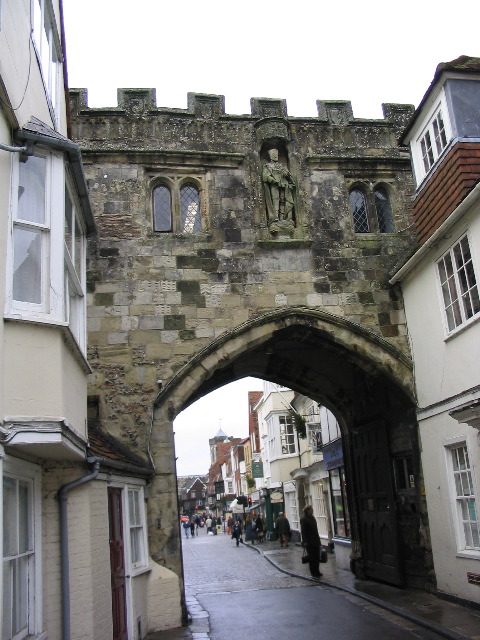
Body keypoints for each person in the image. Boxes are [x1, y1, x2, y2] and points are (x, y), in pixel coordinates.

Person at [262, 148, 297, 224]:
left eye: (276, 154)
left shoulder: (281, 166)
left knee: (283, 200)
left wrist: (286, 175)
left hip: (283, 185)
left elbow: (289, 176)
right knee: (275, 199)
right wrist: (274, 180)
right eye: (273, 154)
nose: (275, 156)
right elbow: (265, 177)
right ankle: (276, 217)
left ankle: (282, 217)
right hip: (274, 185)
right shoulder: (267, 166)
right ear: (270, 155)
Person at [300, 504, 322, 578]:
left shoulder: (313, 518)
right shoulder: (303, 519)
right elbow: (303, 531)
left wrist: (319, 540)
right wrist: (305, 541)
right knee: (312, 557)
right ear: (308, 511)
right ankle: (313, 572)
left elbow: (316, 530)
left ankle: (317, 571)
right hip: (309, 542)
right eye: (311, 509)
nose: (313, 510)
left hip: (315, 540)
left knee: (317, 556)